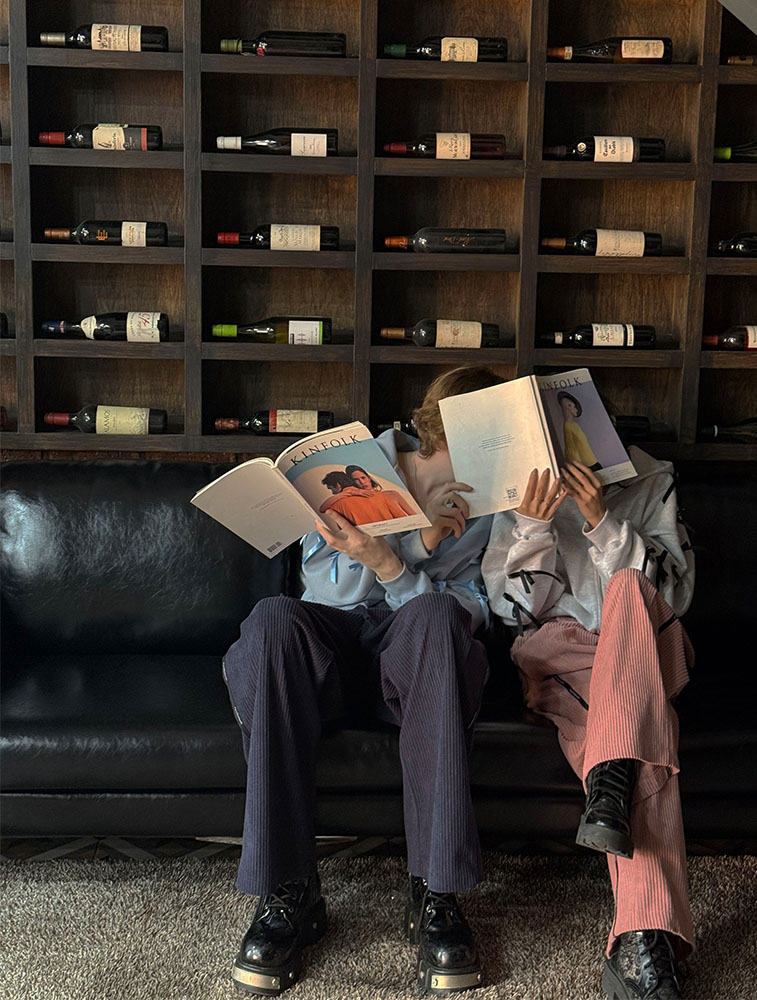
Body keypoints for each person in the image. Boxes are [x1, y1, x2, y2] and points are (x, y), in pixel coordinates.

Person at [222, 365, 505, 996]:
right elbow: (326, 586)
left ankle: (435, 892)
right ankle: (288, 890)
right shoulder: (350, 467)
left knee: (437, 615)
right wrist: (402, 546)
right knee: (273, 618)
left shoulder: (491, 504)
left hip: (414, 662)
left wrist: (400, 571)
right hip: (327, 653)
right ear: (437, 426)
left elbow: (476, 610)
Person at [481, 455, 695, 1000]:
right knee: (641, 734)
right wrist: (532, 527)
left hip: (646, 649)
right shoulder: (518, 485)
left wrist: (603, 523)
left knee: (629, 589)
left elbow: (674, 598)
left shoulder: (653, 481)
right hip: (565, 655)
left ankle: (608, 788)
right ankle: (646, 940)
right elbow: (513, 611)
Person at [318, 468, 417, 524]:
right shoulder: (380, 496)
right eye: (356, 480)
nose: (362, 482)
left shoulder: (335, 505)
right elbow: (401, 518)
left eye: (363, 477)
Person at [558, 390, 602, 470]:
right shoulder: (568, 426)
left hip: (592, 463)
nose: (576, 410)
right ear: (569, 406)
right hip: (587, 467)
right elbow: (570, 449)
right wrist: (577, 468)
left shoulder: (574, 425)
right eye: (574, 407)